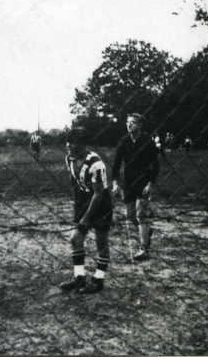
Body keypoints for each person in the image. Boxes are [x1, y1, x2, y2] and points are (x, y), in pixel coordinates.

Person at [60, 127, 113, 293]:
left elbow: (98, 193)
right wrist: (78, 207)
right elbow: (74, 182)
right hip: (84, 201)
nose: (69, 145)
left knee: (101, 242)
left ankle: (98, 280)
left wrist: (86, 217)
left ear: (83, 144)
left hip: (101, 204)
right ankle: (79, 278)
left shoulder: (95, 163)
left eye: (73, 142)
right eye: (68, 142)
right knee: (75, 239)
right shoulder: (69, 159)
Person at [112, 114, 159, 261]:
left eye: (133, 122)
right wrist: (115, 183)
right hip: (128, 182)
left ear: (140, 125)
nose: (129, 125)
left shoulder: (148, 142)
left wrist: (150, 184)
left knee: (141, 214)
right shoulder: (123, 142)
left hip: (144, 182)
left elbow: (155, 166)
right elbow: (116, 164)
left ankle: (143, 248)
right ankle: (146, 230)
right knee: (131, 215)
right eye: (127, 122)